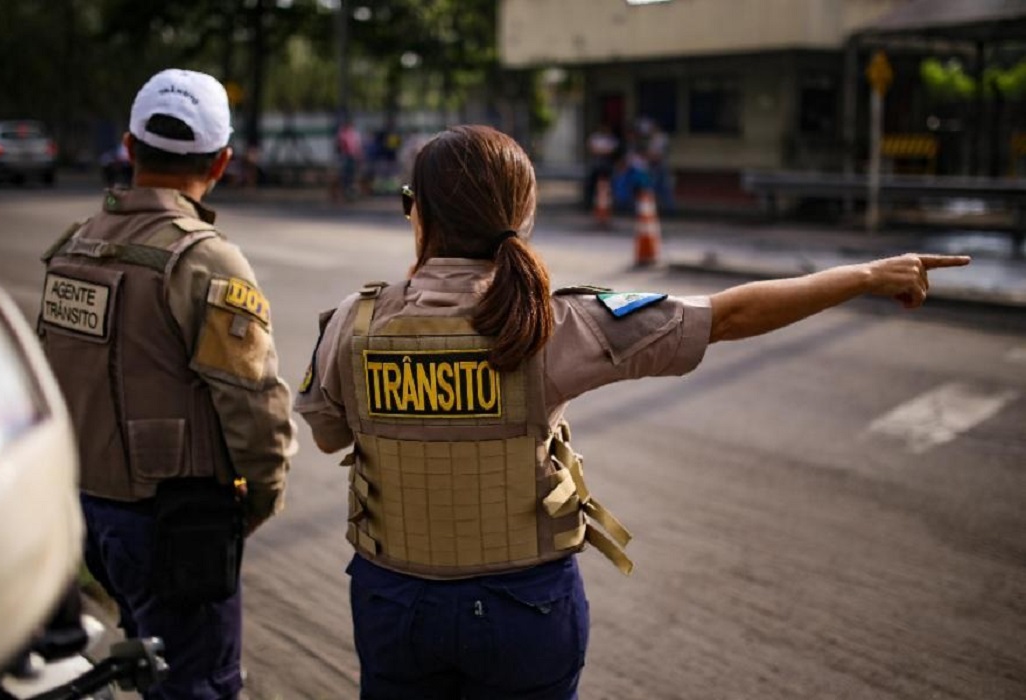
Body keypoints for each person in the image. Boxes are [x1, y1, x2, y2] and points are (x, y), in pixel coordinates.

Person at [294, 124, 970, 700]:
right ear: (522, 218)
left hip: (394, 605)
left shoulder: (351, 328)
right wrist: (871, 275)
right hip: (523, 608)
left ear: (419, 214)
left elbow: (327, 438)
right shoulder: (555, 323)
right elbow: (729, 315)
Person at [37, 68, 295, 700]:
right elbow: (254, 407)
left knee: (143, 666)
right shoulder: (205, 260)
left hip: (87, 519)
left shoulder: (74, 246)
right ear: (224, 161)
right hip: (177, 526)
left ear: (129, 148)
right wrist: (258, 502)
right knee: (197, 685)